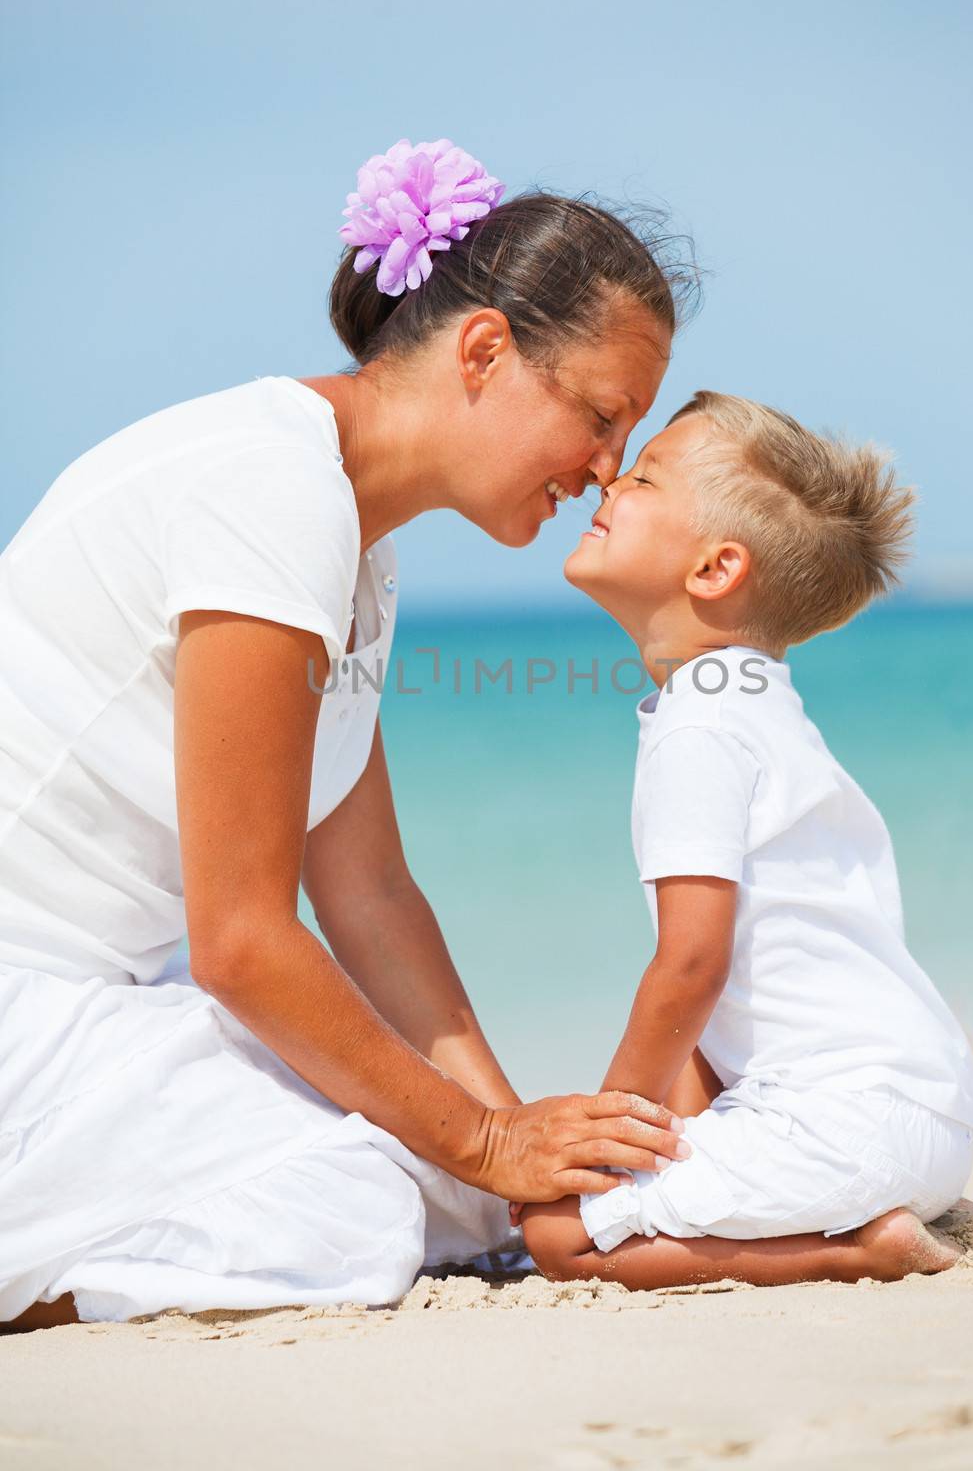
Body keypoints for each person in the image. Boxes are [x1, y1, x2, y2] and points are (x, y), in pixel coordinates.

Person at [0, 139, 697, 1328]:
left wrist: (514, 1160)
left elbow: (367, 890)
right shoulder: (272, 492)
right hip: (31, 1016)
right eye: (598, 415)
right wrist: (483, 1140)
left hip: (102, 1001)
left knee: (449, 1193)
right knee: (366, 1202)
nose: (604, 471)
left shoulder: (349, 542)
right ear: (483, 351)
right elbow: (239, 938)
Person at [521, 391, 973, 1288]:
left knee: (556, 1234)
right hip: (923, 1114)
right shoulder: (760, 704)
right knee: (630, 1171)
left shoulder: (698, 726)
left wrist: (599, 1135)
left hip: (841, 1127)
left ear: (714, 568)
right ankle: (854, 1220)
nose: (607, 480)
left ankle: (854, 1251)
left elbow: (690, 968)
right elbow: (710, 1025)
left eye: (644, 475)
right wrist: (661, 1139)